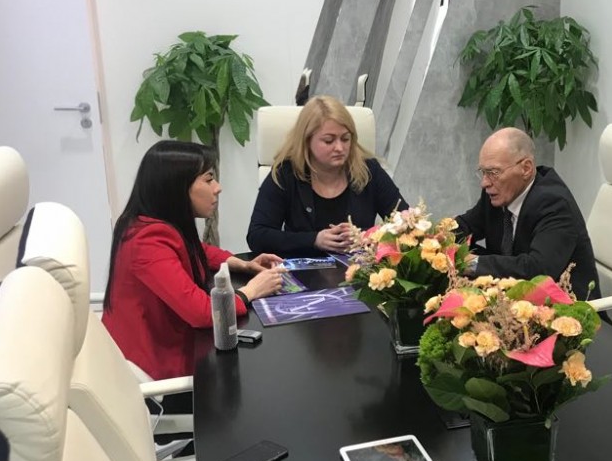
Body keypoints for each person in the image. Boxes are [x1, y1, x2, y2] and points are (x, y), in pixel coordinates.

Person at [103, 140, 284, 380]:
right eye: (209, 180)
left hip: (173, 344)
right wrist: (251, 291)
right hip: (156, 368)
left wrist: (242, 264)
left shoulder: (150, 224)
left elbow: (196, 249)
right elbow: (202, 313)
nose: (217, 188)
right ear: (176, 187)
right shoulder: (146, 241)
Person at [247, 95, 408, 256]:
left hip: (361, 268)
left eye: (345, 139)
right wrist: (314, 240)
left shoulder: (369, 170)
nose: (339, 148)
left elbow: (408, 224)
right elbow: (257, 236)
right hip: (303, 268)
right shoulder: (285, 173)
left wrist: (366, 235)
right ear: (306, 141)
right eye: (329, 141)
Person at [457, 127, 602, 301]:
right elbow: (466, 226)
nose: (485, 182)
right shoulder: (498, 193)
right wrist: (437, 238)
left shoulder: (555, 204)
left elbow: (536, 271)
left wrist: (471, 263)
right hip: (511, 300)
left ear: (526, 168)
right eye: (483, 172)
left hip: (565, 310)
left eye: (494, 173)